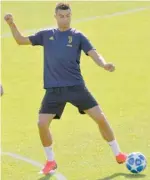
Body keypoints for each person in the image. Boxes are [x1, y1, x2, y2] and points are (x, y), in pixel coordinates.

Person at [4, 2, 127, 175]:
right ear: (55, 17)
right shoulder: (46, 35)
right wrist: (11, 24)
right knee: (42, 123)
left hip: (76, 87)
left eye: (68, 15)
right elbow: (21, 40)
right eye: (61, 16)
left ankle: (118, 153)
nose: (65, 19)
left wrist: (104, 64)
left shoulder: (78, 36)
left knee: (100, 118)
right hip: (54, 91)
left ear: (71, 15)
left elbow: (93, 53)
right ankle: (50, 161)